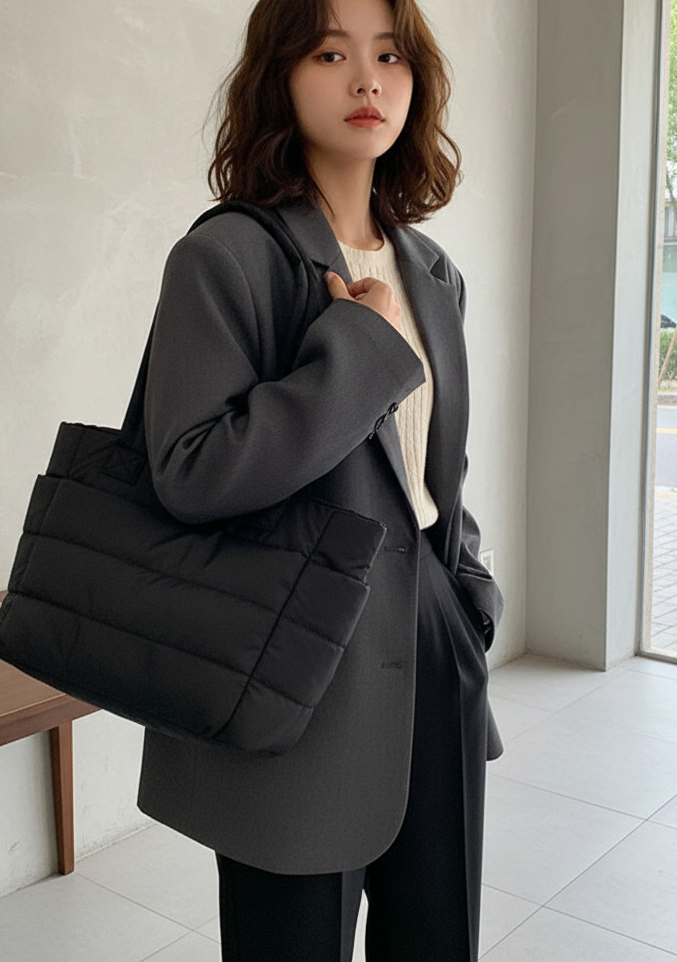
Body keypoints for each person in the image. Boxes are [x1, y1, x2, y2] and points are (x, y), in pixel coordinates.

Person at [137, 0, 504, 958]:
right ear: (281, 75)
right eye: (331, 52)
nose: (366, 79)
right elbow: (190, 472)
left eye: (389, 54)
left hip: (428, 634)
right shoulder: (226, 258)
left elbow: (436, 467)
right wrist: (354, 350)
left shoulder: (433, 272)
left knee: (438, 933)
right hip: (293, 656)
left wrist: (468, 593)